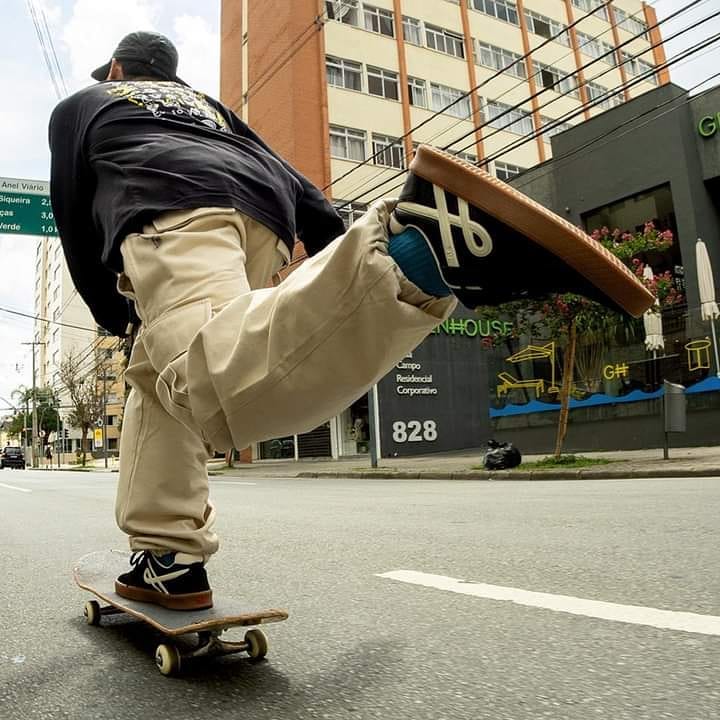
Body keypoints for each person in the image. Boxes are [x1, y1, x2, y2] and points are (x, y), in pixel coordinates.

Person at [49, 31, 653, 611]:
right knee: (156, 382)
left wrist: (107, 311)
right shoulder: (210, 110)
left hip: (168, 205)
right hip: (264, 216)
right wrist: (337, 255)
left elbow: (73, 212)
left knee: (210, 381)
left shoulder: (87, 102)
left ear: (119, 71)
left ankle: (419, 251)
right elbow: (300, 188)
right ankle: (168, 556)